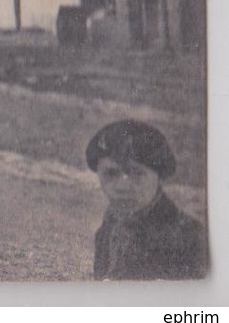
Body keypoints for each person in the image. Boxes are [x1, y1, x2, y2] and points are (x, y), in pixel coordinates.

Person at [85, 119, 208, 280]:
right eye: (111, 173)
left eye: (137, 173)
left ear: (158, 177)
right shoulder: (107, 230)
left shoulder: (191, 240)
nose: (123, 186)